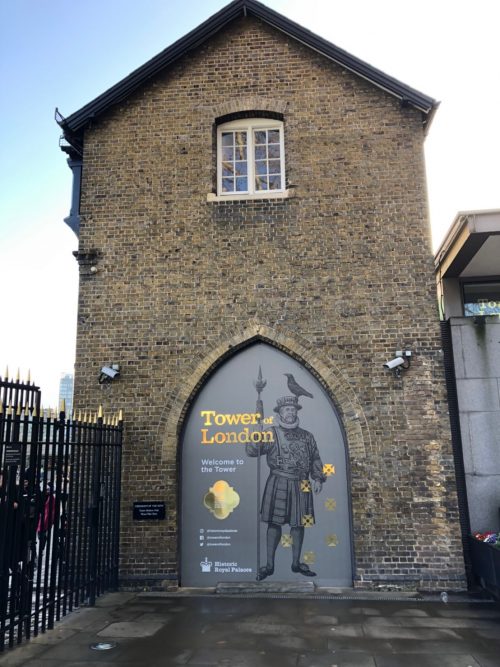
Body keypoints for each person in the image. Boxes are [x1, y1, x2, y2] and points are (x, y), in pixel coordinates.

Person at [246, 395, 326, 580]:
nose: (291, 412)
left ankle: (296, 564)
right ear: (280, 413)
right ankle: (269, 566)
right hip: (279, 481)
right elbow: (252, 451)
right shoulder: (271, 433)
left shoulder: (307, 436)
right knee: (274, 524)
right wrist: (256, 431)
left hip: (303, 483)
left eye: (293, 409)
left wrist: (318, 478)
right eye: (287, 409)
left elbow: (315, 457)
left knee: (299, 524)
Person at [37, 482, 56, 552]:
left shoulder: (52, 498)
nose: (47, 491)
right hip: (40, 518)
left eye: (48, 490)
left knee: (43, 533)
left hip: (47, 519)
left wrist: (52, 520)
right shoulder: (41, 496)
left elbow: (53, 510)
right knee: (40, 533)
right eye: (46, 489)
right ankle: (41, 547)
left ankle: (42, 548)